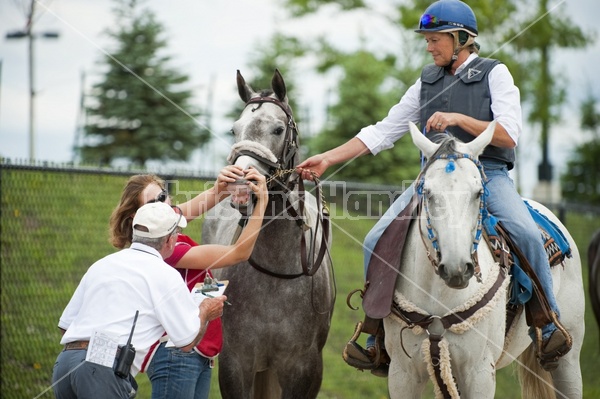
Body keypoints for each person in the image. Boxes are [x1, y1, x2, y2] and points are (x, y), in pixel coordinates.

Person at [297, 0, 571, 375]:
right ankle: (376, 334)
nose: (429, 46)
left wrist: (458, 118)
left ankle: (547, 322)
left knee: (524, 230)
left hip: (487, 172)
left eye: (435, 39)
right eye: (427, 40)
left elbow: (508, 134)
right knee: (376, 238)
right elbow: (383, 131)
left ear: (461, 39)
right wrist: (328, 158)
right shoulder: (426, 81)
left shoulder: (496, 74)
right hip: (433, 178)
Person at [108, 165, 268, 399]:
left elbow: (190, 209)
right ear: (138, 216)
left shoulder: (165, 236)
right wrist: (262, 202)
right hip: (177, 354)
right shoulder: (165, 251)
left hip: (195, 351)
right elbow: (238, 253)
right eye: (155, 201)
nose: (165, 203)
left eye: (164, 195)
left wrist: (222, 188)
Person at [52, 202, 227, 399]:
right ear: (169, 240)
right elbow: (186, 342)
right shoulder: (166, 274)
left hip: (64, 364)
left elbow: (65, 325)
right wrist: (205, 310)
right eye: (176, 233)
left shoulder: (101, 264)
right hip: (102, 367)